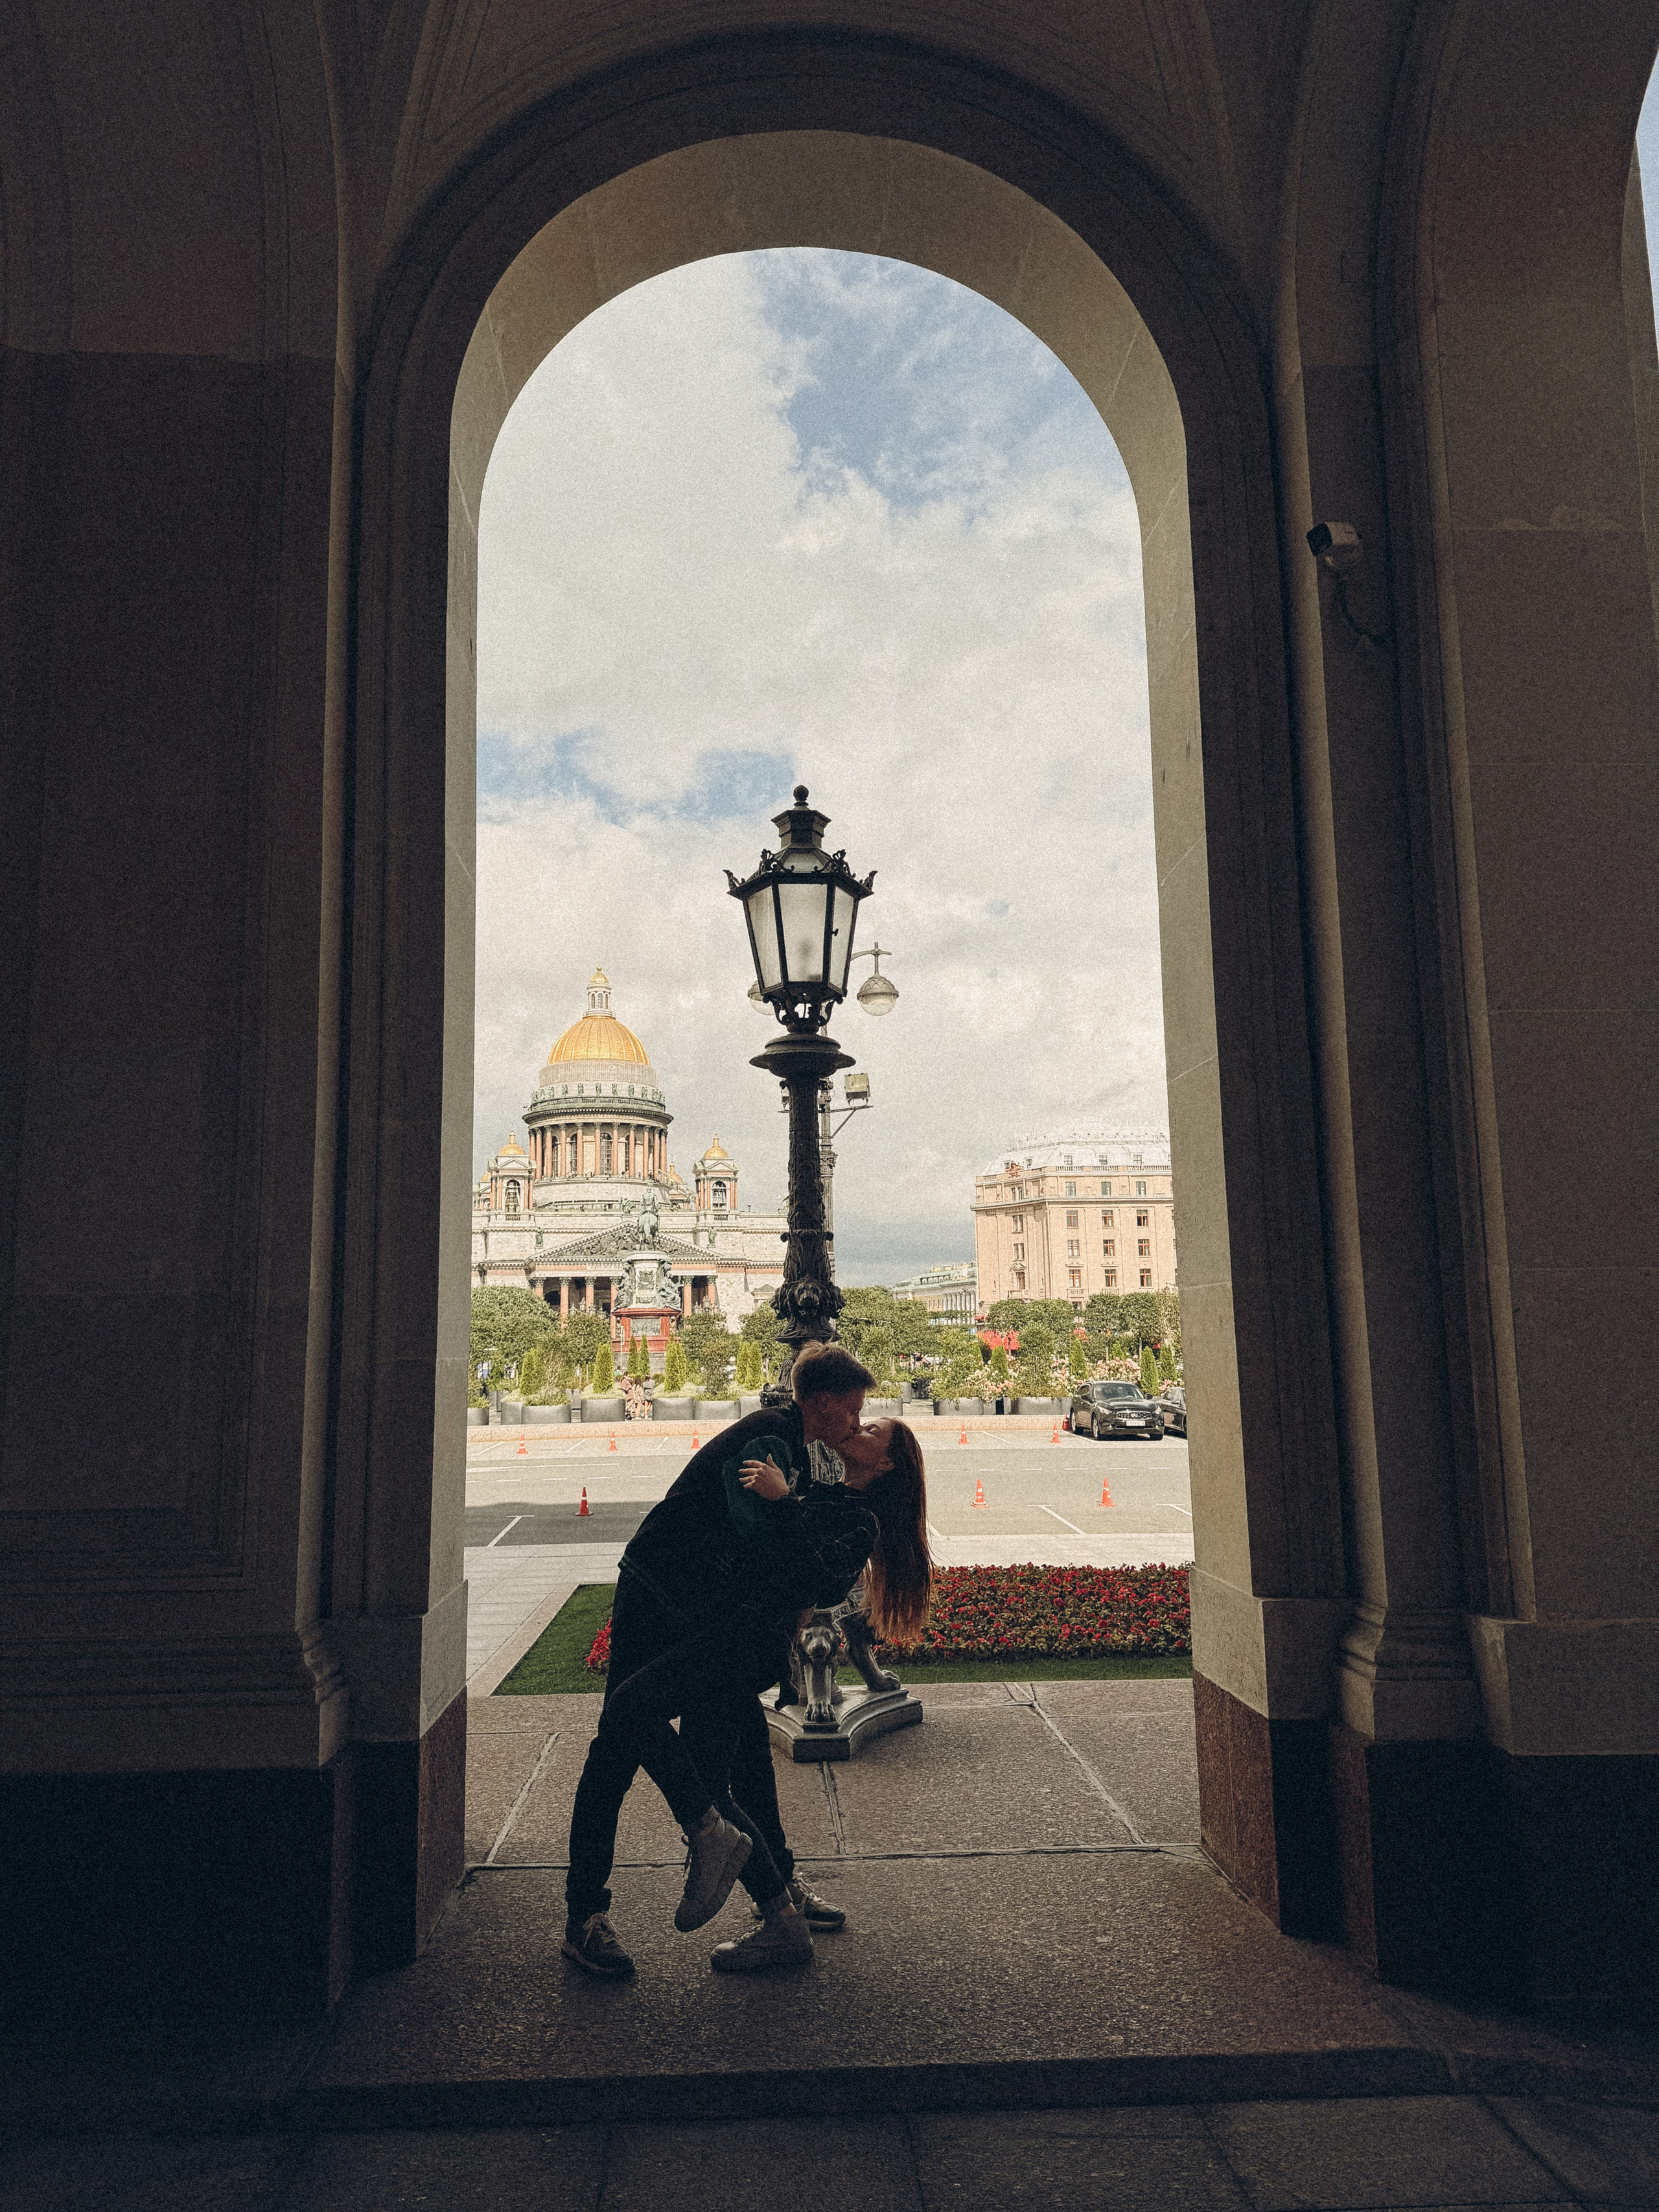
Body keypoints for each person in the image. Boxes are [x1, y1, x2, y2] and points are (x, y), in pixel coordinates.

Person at [561, 1346, 931, 1977]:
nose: (856, 1421)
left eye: (867, 1421)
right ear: (821, 1402)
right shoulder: (774, 1443)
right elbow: (759, 1539)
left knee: (726, 1766)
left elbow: (795, 1564)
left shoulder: (812, 1476)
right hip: (660, 1593)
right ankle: (596, 1912)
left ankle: (770, 1894)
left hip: (705, 1616)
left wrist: (786, 1525)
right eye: (855, 1410)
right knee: (625, 1750)